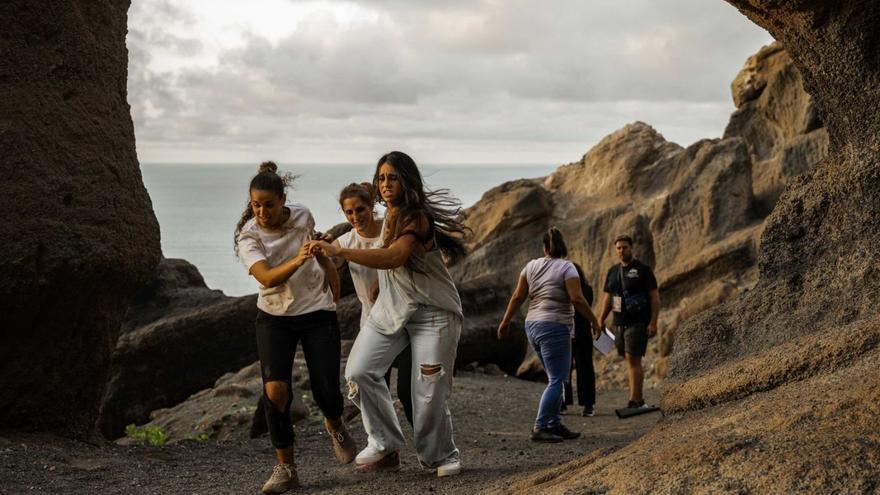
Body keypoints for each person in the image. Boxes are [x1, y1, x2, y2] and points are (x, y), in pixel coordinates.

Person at [308, 151, 467, 476]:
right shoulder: (384, 218)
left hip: (433, 313)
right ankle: (384, 442)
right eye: (381, 178)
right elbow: (358, 232)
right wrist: (327, 242)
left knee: (427, 390)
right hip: (391, 312)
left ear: (408, 181)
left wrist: (339, 249)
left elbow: (393, 256)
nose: (386, 183)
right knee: (359, 371)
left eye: (392, 177)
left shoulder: (416, 217)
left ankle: (442, 455)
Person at [234, 161, 357, 494]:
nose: (261, 211)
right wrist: (299, 259)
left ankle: (335, 425)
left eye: (268, 204)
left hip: (316, 311)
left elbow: (319, 254)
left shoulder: (303, 215)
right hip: (274, 317)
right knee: (276, 392)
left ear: (283, 199)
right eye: (255, 204)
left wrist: (332, 284)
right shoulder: (249, 236)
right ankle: (286, 468)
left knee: (326, 390)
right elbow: (266, 278)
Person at [497, 227, 601, 442]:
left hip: (533, 325)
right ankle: (540, 426)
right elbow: (577, 299)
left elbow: (518, 296)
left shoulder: (530, 266)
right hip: (555, 326)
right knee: (557, 379)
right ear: (564, 248)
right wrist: (594, 320)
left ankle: (554, 423)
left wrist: (505, 321)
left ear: (544, 247)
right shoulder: (567, 267)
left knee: (555, 377)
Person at [329, 182, 413, 426]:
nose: (356, 216)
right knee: (372, 385)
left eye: (360, 209)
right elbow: (331, 261)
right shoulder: (346, 241)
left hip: (405, 320)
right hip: (373, 322)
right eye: (349, 212)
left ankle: (428, 446)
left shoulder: (391, 230)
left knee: (409, 392)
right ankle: (386, 446)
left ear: (371, 207)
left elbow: (398, 259)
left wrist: (381, 277)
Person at [597, 234, 660, 409]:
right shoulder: (613, 271)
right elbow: (608, 298)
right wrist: (600, 320)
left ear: (631, 248)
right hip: (619, 324)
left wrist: (653, 322)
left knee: (633, 360)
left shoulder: (643, 270)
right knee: (628, 359)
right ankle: (638, 400)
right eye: (618, 248)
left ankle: (634, 401)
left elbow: (654, 297)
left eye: (624, 247)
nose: (621, 250)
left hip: (638, 322)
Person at [563, 262, 597, 417]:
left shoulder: (585, 290)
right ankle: (567, 402)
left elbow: (582, 304)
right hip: (571, 332)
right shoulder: (582, 289)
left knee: (581, 369)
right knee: (569, 369)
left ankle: (586, 404)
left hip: (578, 332)